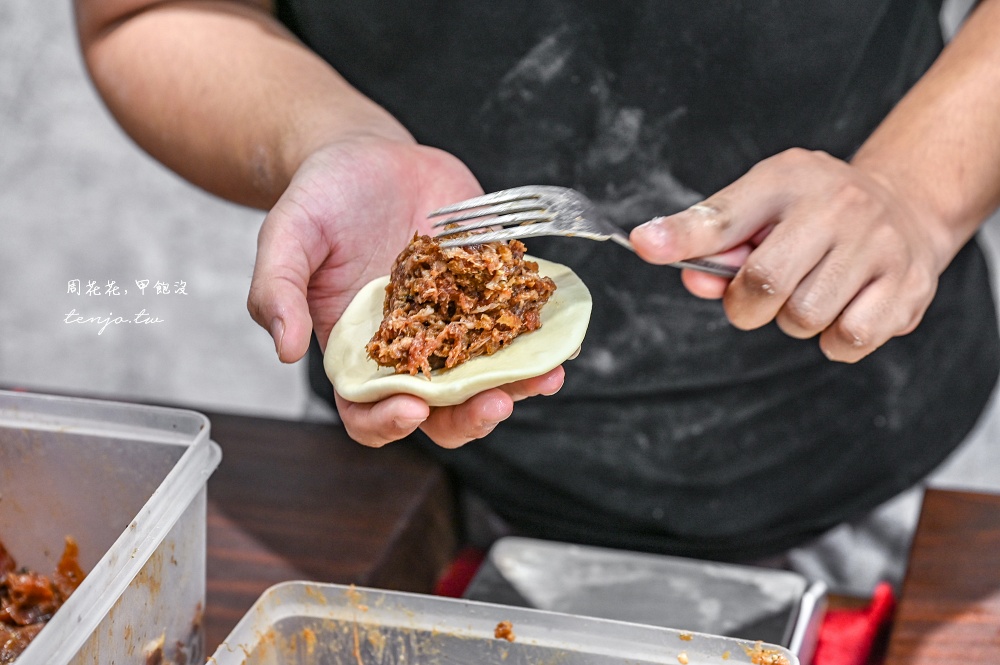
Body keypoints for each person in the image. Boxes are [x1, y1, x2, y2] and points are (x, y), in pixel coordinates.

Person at [74, 0, 1000, 593]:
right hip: (418, 483)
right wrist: (331, 134)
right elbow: (147, 13)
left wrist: (915, 192)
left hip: (862, 451)